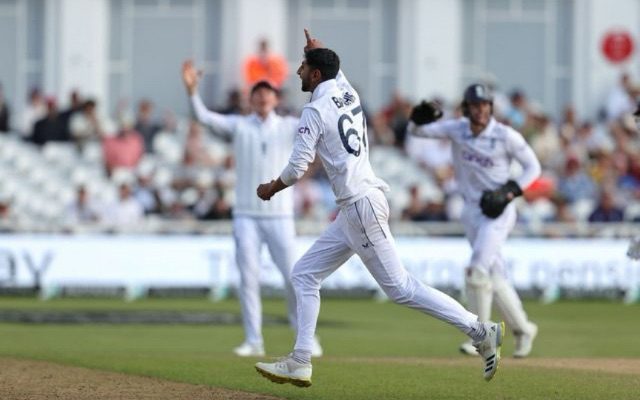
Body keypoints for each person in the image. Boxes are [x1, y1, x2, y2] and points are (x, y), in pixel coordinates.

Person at [254, 29, 503, 388]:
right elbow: (334, 69)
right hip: (355, 207)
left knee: (400, 288)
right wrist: (318, 49)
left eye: (303, 66)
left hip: (359, 206)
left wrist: (271, 187)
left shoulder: (313, 111)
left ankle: (480, 329)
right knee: (304, 274)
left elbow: (296, 168)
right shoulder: (346, 89)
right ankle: (300, 360)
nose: (298, 72)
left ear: (315, 75)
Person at [182, 59, 322, 358]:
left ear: (275, 98)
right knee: (248, 278)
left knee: (293, 278)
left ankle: (305, 339)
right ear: (250, 98)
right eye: (257, 92)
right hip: (246, 215)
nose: (262, 97)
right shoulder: (239, 125)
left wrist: (321, 81)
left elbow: (318, 120)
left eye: (267, 92)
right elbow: (203, 117)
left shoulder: (288, 126)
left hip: (281, 216)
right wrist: (193, 92)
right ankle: (253, 340)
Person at [407, 83, 541, 359]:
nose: (481, 110)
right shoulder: (457, 128)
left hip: (498, 209)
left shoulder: (505, 136)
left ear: (490, 107)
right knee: (494, 275)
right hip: (471, 211)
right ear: (466, 108)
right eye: (475, 105)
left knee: (477, 270)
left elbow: (533, 167)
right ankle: (524, 329)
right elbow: (417, 132)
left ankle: (480, 335)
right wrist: (416, 118)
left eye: (485, 105)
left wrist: (510, 191)